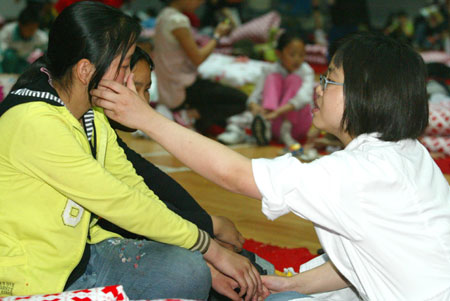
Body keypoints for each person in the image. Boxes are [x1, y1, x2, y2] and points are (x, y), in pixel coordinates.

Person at [93, 31, 450, 300]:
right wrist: (290, 282)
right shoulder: (408, 153)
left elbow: (233, 174)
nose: (320, 88)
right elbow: (367, 259)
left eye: (330, 79)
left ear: (364, 94)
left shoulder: (357, 173)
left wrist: (148, 119)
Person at [0, 2, 264, 300]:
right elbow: (121, 202)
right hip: (32, 280)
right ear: (85, 70)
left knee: (190, 270)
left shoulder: (90, 114)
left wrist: (204, 252)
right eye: (124, 66)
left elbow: (137, 187)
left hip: (81, 258)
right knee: (196, 268)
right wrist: (210, 246)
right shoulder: (35, 122)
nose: (128, 79)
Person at [104, 46, 275, 300]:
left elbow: (151, 181)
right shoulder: (76, 127)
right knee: (191, 271)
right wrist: (208, 235)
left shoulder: (103, 131)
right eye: (134, 87)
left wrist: (206, 229)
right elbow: (125, 211)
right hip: (86, 256)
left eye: (146, 89)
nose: (141, 99)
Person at [153, 0, 247, 134]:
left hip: (169, 86)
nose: (201, 2)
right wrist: (217, 35)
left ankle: (186, 116)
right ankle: (188, 115)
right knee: (240, 101)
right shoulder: (178, 20)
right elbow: (198, 58)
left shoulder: (163, 16)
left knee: (217, 120)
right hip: (182, 87)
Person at [218, 31, 314, 148]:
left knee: (294, 79)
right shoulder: (270, 70)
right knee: (272, 78)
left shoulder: (306, 71)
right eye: (292, 54)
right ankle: (256, 127)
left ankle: (283, 130)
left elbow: (303, 98)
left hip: (296, 125)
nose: (297, 59)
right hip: (272, 119)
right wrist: (255, 107)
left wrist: (278, 112)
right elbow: (255, 96)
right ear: (278, 53)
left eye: (301, 55)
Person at [0, 6, 48, 73]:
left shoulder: (40, 36)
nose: (32, 32)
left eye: (35, 28)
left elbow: (46, 52)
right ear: (20, 25)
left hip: (24, 62)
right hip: (8, 63)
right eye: (30, 29)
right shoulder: (7, 32)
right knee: (10, 56)